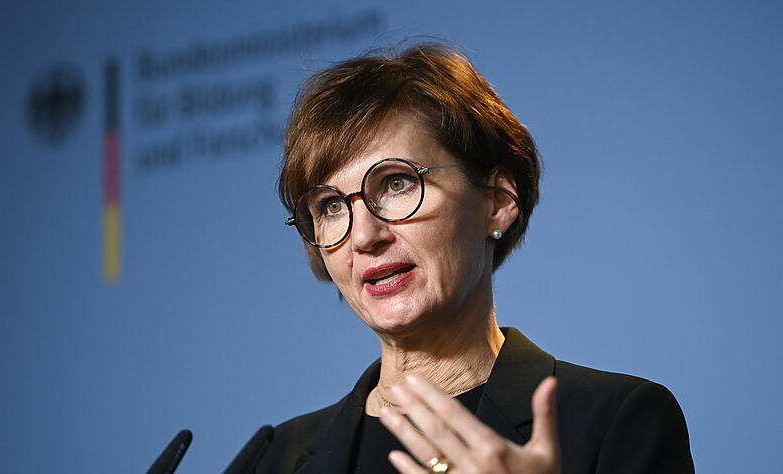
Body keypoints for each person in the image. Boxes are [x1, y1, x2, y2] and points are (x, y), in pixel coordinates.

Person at [225, 43, 694, 474]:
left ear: (497, 200)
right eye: (331, 206)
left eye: (396, 183)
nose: (364, 235)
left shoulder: (618, 421)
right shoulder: (276, 459)